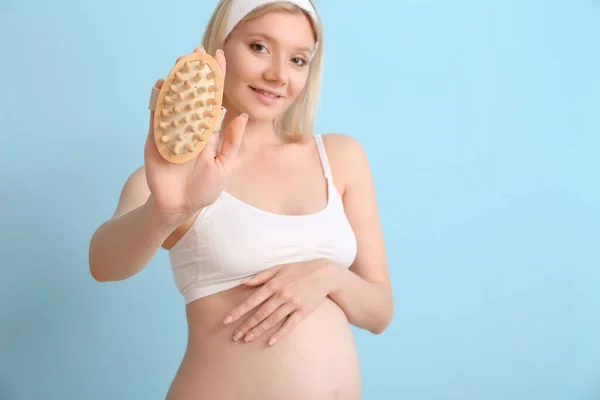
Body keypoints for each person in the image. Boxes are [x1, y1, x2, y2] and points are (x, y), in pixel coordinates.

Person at [88, 0, 394, 398]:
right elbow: (103, 264)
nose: (278, 75)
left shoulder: (340, 158)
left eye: (298, 59)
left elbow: (379, 310)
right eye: (259, 47)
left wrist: (328, 275)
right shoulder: (182, 175)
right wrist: (165, 213)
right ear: (222, 47)